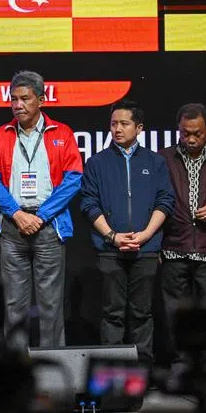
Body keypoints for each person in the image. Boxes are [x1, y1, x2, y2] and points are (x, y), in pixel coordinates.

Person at [0, 70, 83, 348]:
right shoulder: (0, 135)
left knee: (51, 304)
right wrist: (17, 214)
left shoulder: (62, 133)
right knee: (14, 304)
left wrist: (40, 216)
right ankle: (17, 370)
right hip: (13, 227)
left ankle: (54, 372)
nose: (18, 105)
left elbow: (73, 179)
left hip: (48, 227)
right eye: (13, 99)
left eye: (25, 98)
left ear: (41, 99)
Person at [80, 100, 174, 364]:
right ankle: (111, 374)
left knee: (142, 313)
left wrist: (145, 235)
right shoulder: (97, 162)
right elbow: (88, 202)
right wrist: (112, 235)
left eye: (124, 123)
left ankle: (142, 371)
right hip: (110, 249)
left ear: (139, 127)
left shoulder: (155, 162)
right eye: (113, 124)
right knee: (113, 313)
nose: (117, 129)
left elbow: (165, 201)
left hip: (146, 248)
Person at [159, 103, 206, 373]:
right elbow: (156, 199)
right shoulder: (164, 158)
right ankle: (182, 364)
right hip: (173, 246)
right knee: (175, 313)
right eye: (185, 133)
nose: (191, 139)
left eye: (197, 134)